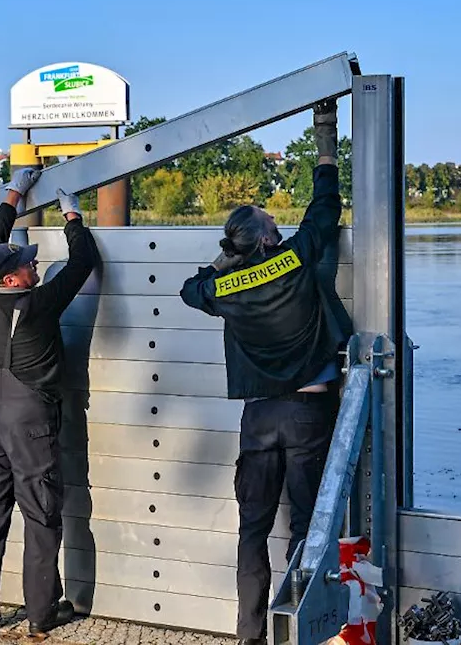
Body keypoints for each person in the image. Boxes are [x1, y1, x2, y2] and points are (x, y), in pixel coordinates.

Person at [179, 99, 353, 645]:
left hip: (257, 419)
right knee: (307, 526)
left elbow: (191, 291)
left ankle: (249, 633)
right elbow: (325, 208)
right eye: (273, 224)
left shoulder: (225, 289)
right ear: (269, 239)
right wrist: (325, 139)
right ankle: (305, 626)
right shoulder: (296, 259)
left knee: (252, 529)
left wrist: (225, 262)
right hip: (308, 410)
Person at [0, 168, 99, 637]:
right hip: (31, 425)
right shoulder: (39, 304)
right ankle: (41, 616)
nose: (35, 266)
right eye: (27, 263)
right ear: (14, 278)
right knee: (41, 516)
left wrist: (14, 193)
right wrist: (73, 216)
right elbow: (83, 261)